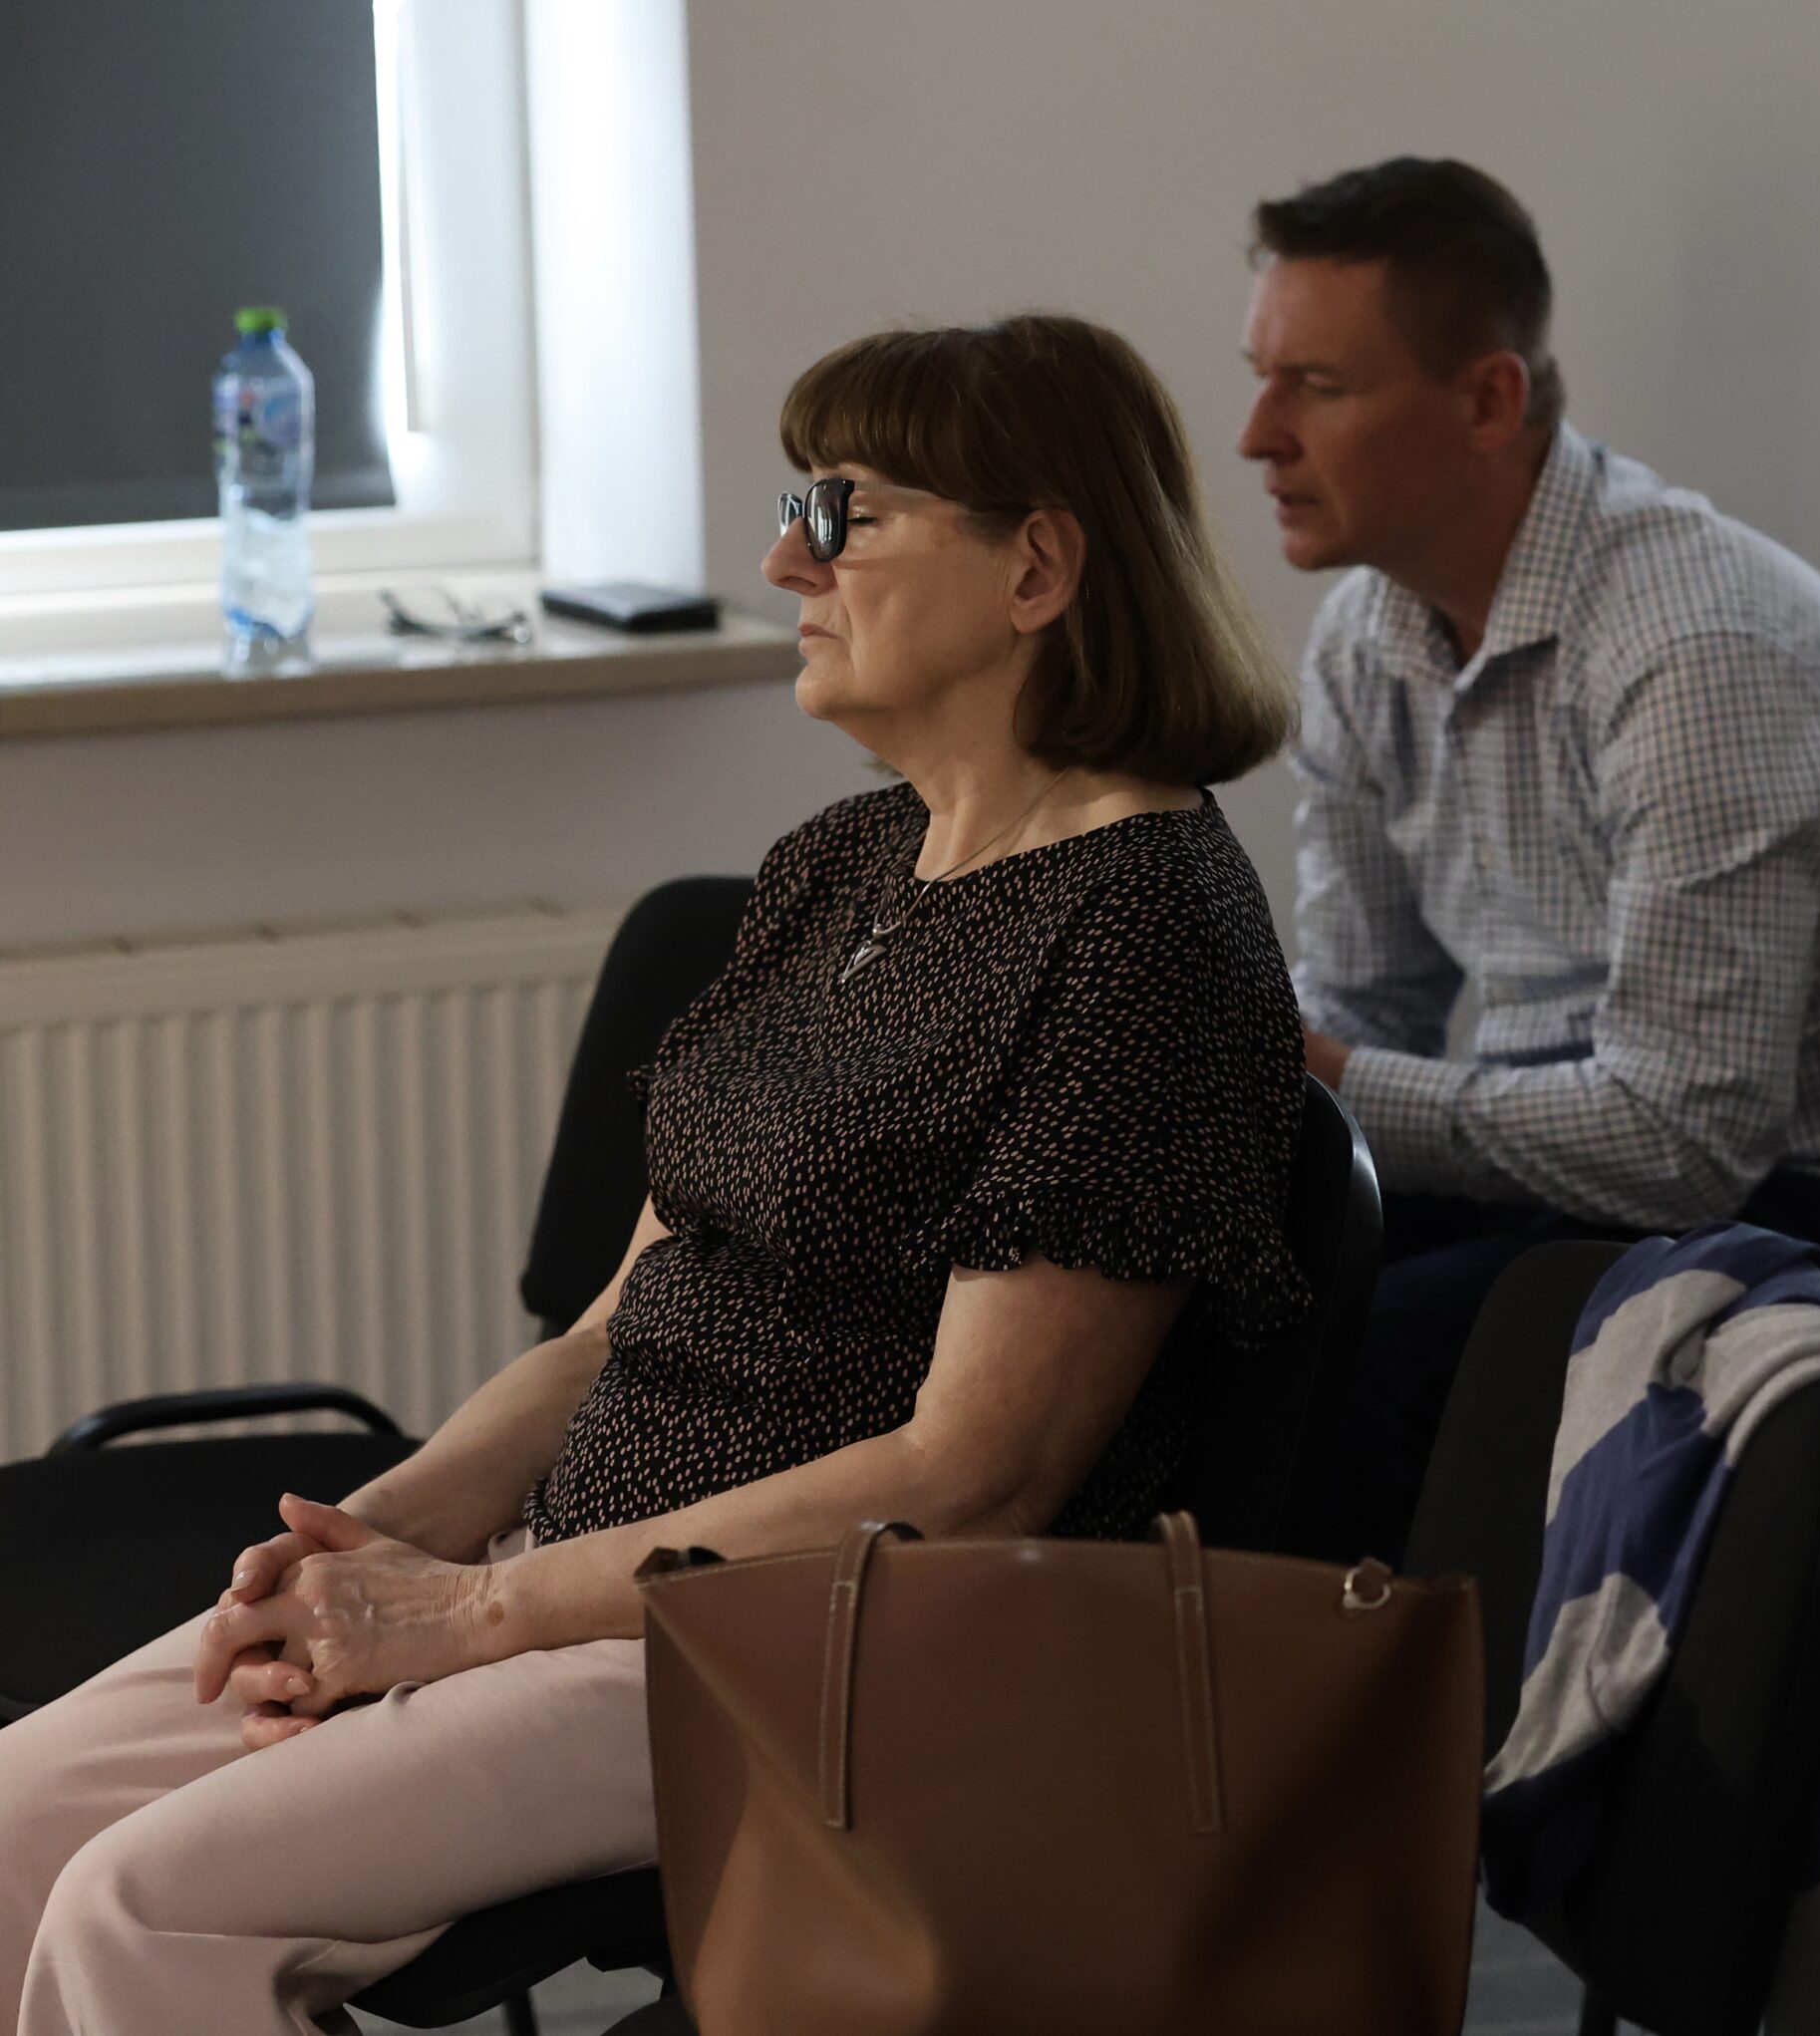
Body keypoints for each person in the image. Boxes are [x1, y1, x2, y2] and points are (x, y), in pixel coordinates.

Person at [0, 313, 1308, 2036]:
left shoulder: (1144, 932)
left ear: (1037, 569)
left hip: (823, 1647)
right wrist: (387, 1531)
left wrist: (476, 1610)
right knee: (14, 1822)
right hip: (584, 1571)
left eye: (844, 513)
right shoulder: (843, 863)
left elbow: (973, 1475)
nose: (786, 559)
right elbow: (620, 1320)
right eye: (793, 506)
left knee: (143, 1907)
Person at [1239, 156, 1820, 1563]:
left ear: (1489, 402)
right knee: (1209, 1295)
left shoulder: (1700, 649)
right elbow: (1363, 1008)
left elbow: (1685, 1147)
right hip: (1590, 1143)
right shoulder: (1370, 630)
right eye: (1263, 379)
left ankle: (1391, 1708)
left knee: (1348, 1375)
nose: (1257, 436)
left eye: (1319, 387)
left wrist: (1320, 1078)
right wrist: (1260, 1094)